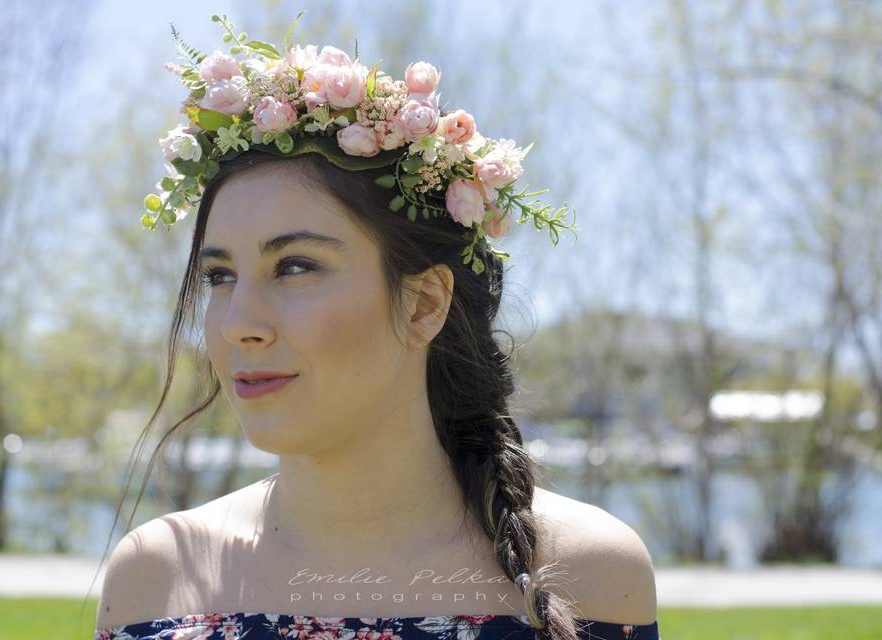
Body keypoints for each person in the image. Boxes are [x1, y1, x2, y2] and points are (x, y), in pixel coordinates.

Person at [92, 13, 660, 640]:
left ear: (423, 304)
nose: (237, 326)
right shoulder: (156, 581)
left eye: (295, 266)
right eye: (220, 276)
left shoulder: (588, 577)